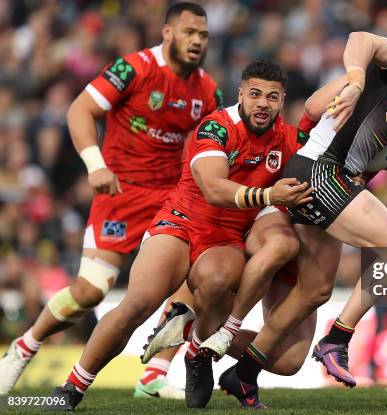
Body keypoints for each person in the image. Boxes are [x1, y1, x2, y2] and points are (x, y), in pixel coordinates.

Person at [211, 30, 387, 407]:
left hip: (329, 178)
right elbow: (362, 38)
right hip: (320, 172)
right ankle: (337, 339)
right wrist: (355, 80)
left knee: (315, 293)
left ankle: (242, 374)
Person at [49, 58, 315, 411]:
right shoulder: (217, 127)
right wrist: (269, 196)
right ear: (240, 95)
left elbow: (331, 153)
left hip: (226, 237)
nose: (262, 103)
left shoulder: (289, 139)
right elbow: (213, 188)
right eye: (254, 94)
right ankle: (73, 387)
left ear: (282, 102)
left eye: (272, 97)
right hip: (181, 221)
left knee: (220, 280)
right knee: (139, 304)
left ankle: (196, 349)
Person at [0, 2, 222, 399]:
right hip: (119, 192)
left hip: (170, 197)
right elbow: (79, 110)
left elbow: (213, 145)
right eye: (189, 32)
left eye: (203, 36)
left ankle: (154, 373)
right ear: (167, 33)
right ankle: (25, 346)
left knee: (196, 272)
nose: (197, 42)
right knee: (90, 291)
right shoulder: (133, 69)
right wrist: (95, 165)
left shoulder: (206, 90)